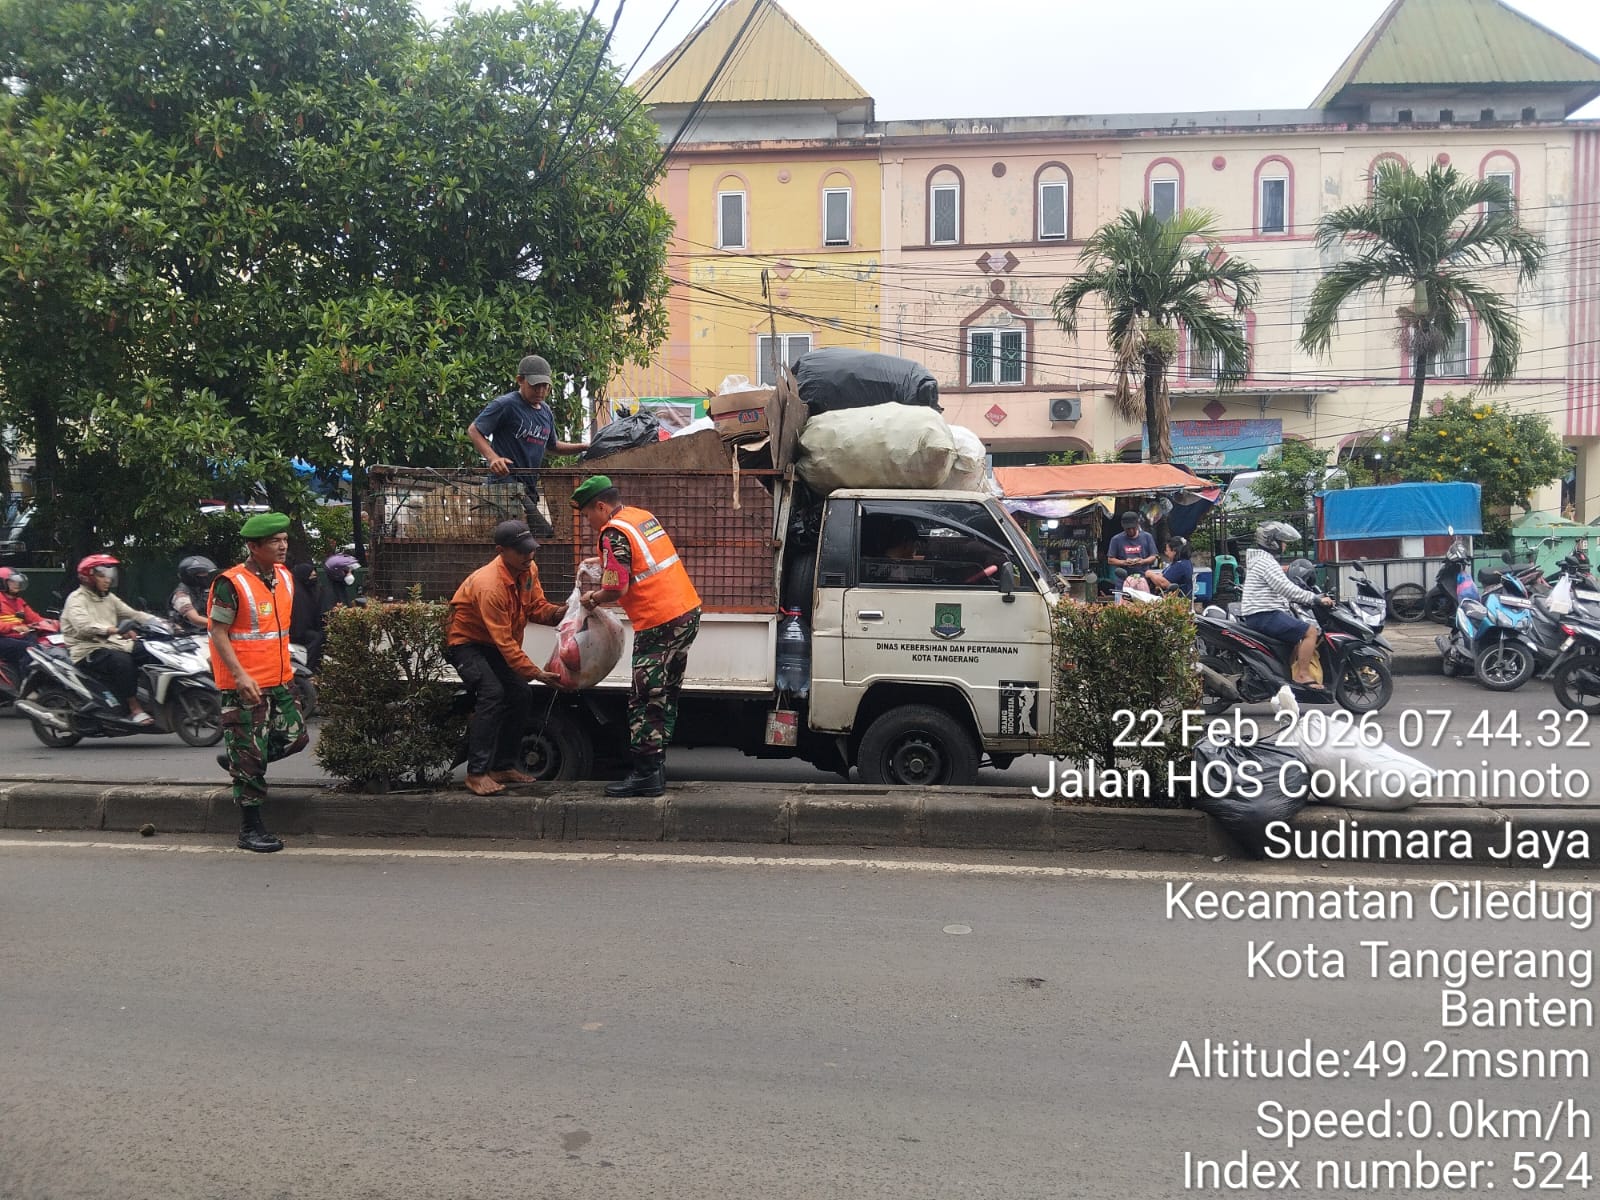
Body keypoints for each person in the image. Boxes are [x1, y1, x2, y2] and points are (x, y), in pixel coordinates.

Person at [573, 475, 702, 798]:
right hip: (685, 611)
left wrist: (593, 598)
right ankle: (656, 768)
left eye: (588, 514)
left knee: (644, 697)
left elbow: (617, 586)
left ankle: (646, 773)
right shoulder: (641, 518)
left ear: (601, 506)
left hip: (658, 620)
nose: (588, 522)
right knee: (666, 691)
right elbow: (642, 560)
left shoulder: (613, 532)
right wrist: (601, 562)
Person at [208, 512, 309, 853]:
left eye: (284, 540)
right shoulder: (231, 583)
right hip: (246, 683)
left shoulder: (283, 576)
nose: (282, 546)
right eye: (274, 541)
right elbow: (218, 632)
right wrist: (239, 675)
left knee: (297, 737)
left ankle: (240, 761)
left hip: (280, 677)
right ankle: (250, 829)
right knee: (250, 753)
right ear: (253, 547)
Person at [445, 519, 565, 796]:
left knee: (521, 694)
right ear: (501, 550)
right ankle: (476, 774)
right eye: (521, 551)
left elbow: (536, 607)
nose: (529, 556)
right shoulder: (490, 586)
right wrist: (536, 672)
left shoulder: (528, 569)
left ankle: (501, 765)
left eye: (531, 549)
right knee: (492, 693)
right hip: (466, 643)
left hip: (493, 644)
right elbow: (506, 642)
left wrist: (563, 613)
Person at [467, 354, 590, 539]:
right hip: (506, 485)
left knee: (529, 539)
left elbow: (553, 446)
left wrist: (584, 446)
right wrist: (493, 458)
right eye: (535, 385)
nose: (541, 391)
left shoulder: (546, 412)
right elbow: (474, 430)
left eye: (545, 386)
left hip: (529, 487)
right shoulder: (506, 404)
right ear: (520, 380)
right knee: (542, 533)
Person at [60, 554, 160, 724]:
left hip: (113, 644)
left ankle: (155, 699)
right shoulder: (76, 600)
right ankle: (134, 708)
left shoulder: (108, 597)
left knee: (151, 651)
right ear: (88, 578)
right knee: (123, 662)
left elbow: (133, 613)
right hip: (87, 650)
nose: (107, 579)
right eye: (101, 575)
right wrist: (115, 630)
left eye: (109, 575)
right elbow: (84, 627)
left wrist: (159, 622)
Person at [1240, 521, 1334, 686]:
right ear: (1272, 541)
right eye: (1282, 541)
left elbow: (1283, 586)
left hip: (1262, 613)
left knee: (1293, 639)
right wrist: (1315, 599)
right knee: (1310, 632)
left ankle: (1284, 677)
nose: (1284, 545)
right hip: (1264, 614)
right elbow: (1287, 589)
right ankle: (1302, 675)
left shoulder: (1263, 561)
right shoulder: (1266, 563)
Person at [0, 567, 49, 680]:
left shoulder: (19, 601)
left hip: (17, 637)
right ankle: (28, 683)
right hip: (3, 638)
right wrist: (14, 627)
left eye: (17, 581)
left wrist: (50, 623)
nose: (16, 584)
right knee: (28, 649)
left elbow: (34, 618)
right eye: (12, 581)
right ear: (2, 583)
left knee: (44, 644)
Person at [1106, 511, 1158, 596]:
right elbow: (1110, 560)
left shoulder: (1147, 537)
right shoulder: (1116, 539)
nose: (1130, 530)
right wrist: (1124, 562)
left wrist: (1143, 561)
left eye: (1133, 528)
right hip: (1123, 581)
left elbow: (1153, 556)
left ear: (1138, 525)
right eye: (1127, 529)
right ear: (1123, 527)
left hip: (1143, 579)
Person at [289, 561, 325, 673]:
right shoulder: (297, 593)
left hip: (309, 628)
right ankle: (307, 668)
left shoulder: (313, 590)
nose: (313, 577)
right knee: (316, 638)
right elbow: (299, 618)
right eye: (311, 575)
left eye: (315, 575)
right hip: (296, 632)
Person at [169, 555, 218, 631]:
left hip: (205, 633)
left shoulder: (203, 591)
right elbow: (195, 619)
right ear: (190, 576)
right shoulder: (181, 594)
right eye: (202, 574)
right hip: (186, 636)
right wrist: (222, 625)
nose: (206, 577)